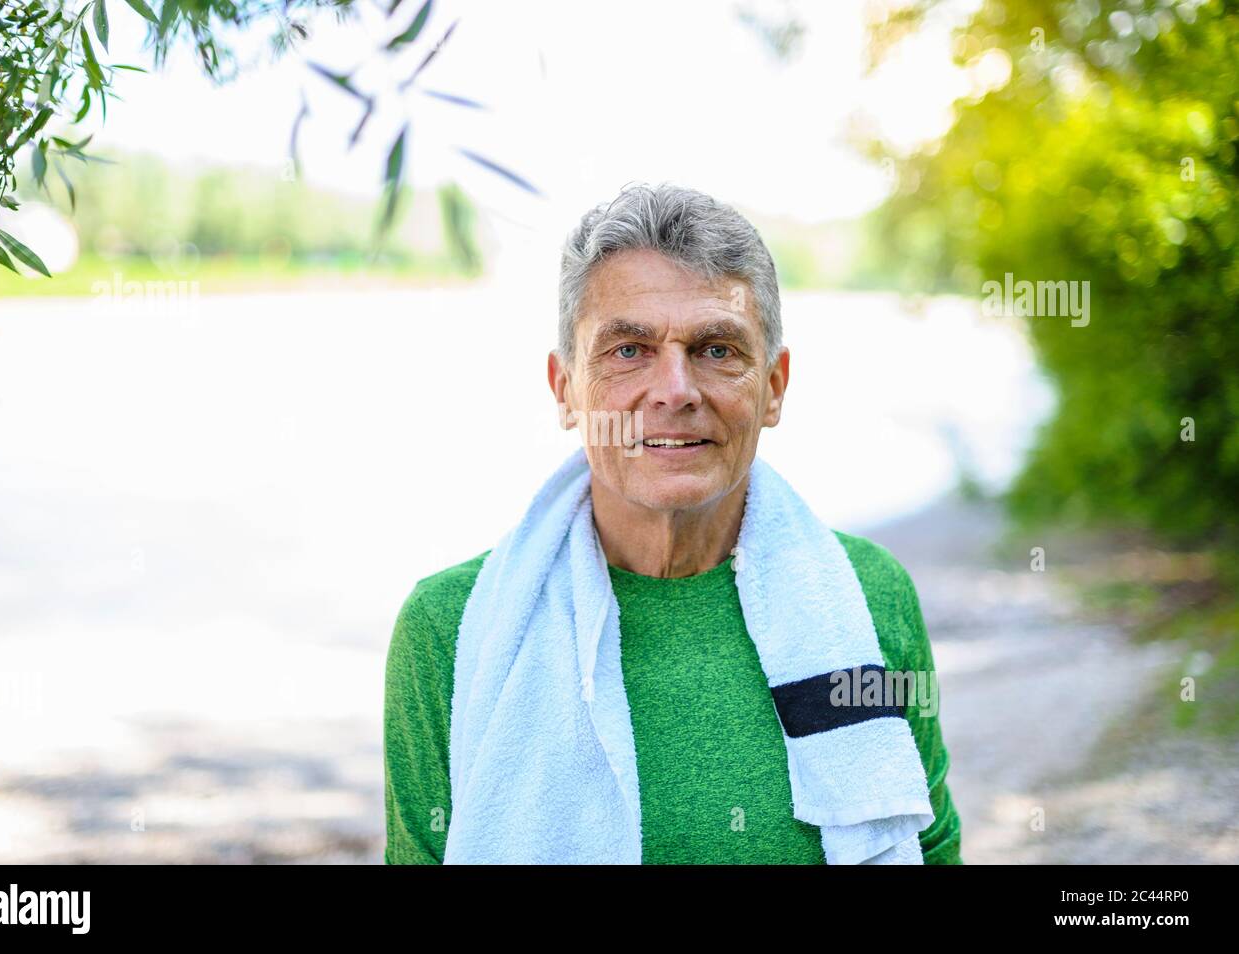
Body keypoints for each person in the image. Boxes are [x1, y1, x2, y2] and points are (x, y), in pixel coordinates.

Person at [383, 182, 963, 864]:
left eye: (717, 349)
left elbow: (929, 847)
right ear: (564, 389)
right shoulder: (450, 628)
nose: (675, 391)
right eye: (628, 350)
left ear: (773, 386)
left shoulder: (868, 596)